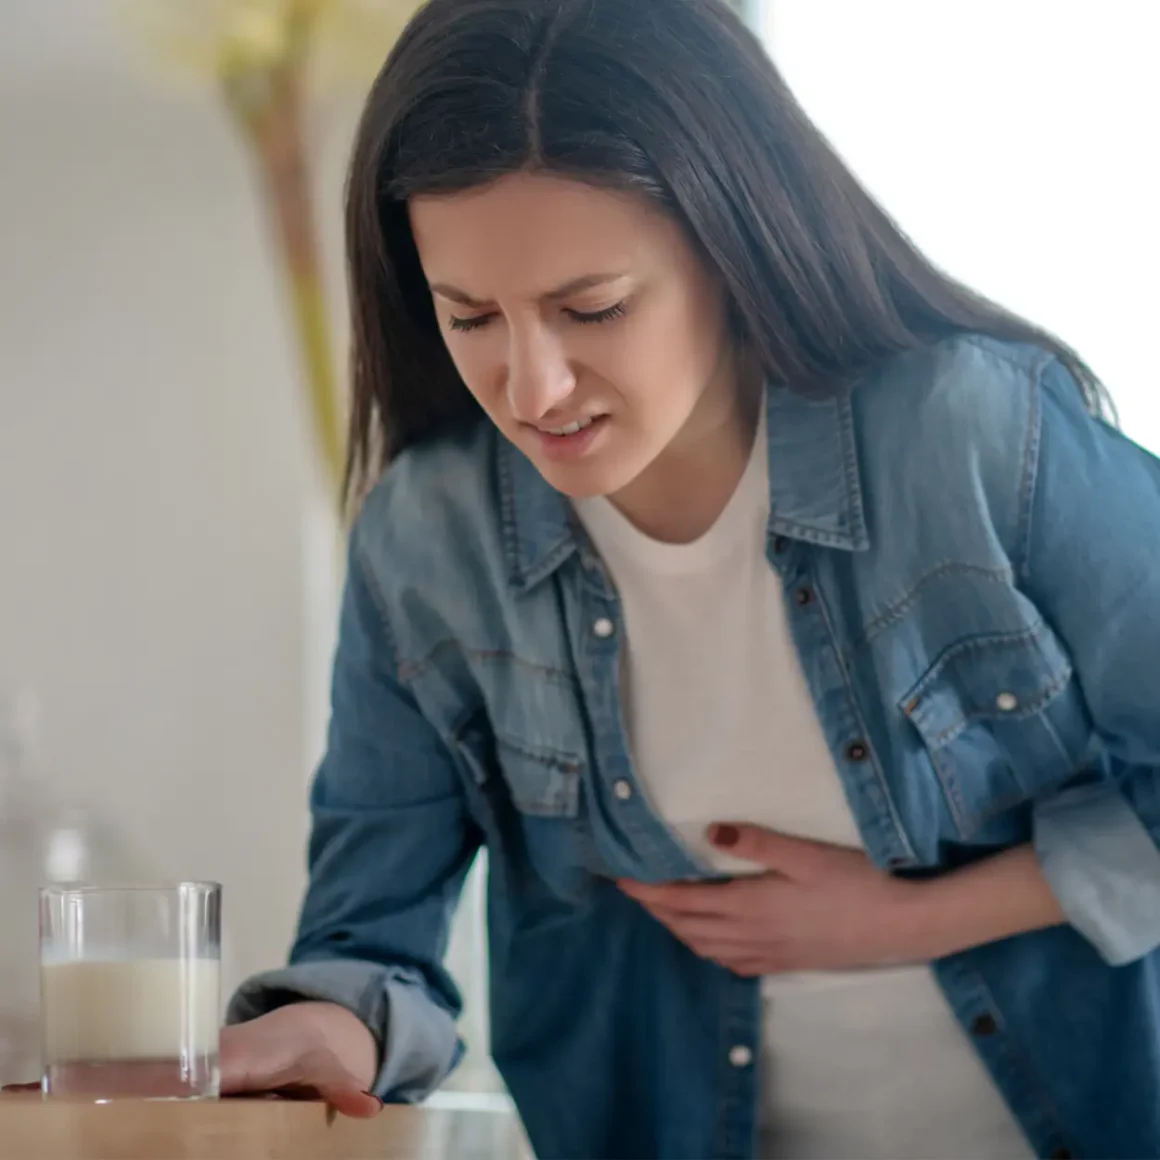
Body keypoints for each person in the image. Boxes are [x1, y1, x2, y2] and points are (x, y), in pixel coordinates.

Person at [218, 1, 1160, 1157]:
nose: (533, 387)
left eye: (591, 308)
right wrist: (327, 1033)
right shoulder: (428, 540)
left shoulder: (970, 436)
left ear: (730, 240)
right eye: (470, 317)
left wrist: (908, 917)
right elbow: (371, 936)